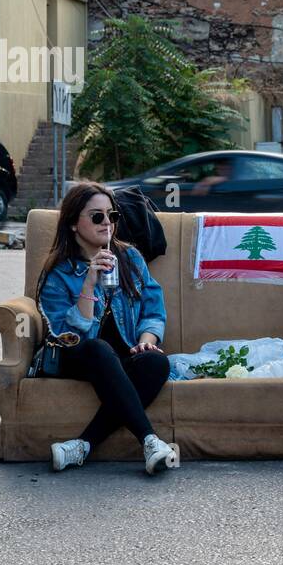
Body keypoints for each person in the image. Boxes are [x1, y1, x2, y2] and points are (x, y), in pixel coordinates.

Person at [38, 182, 176, 475]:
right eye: (96, 216)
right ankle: (150, 441)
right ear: (74, 223)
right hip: (78, 357)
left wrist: (146, 341)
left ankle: (82, 446)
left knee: (156, 362)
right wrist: (88, 284)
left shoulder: (129, 258)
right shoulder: (58, 273)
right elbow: (69, 337)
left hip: (121, 357)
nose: (108, 224)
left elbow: (153, 308)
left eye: (111, 216)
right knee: (98, 348)